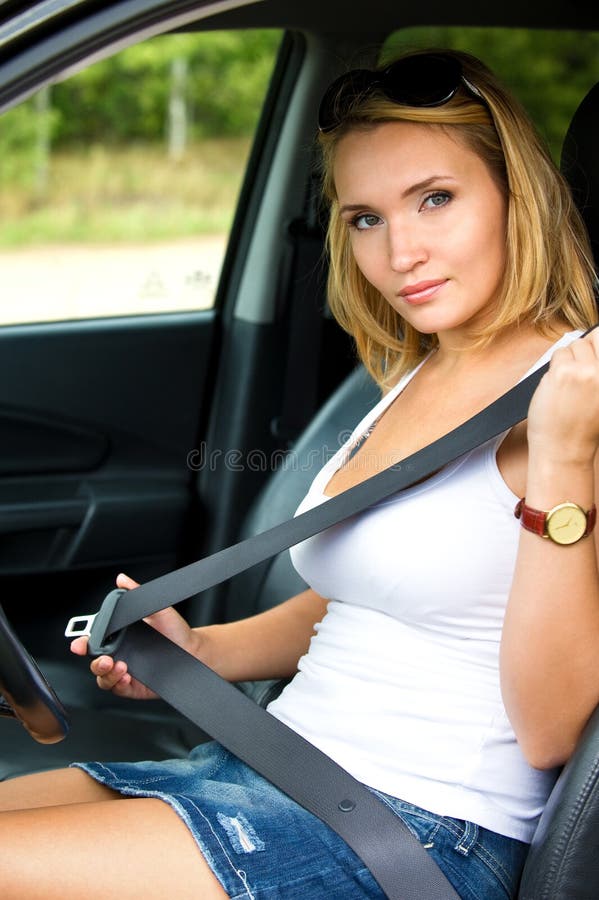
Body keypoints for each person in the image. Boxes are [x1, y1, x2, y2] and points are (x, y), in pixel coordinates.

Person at [1, 47, 598, 900]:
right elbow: (374, 585)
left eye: (435, 199)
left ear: (516, 198)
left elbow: (554, 732)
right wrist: (203, 649)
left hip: (419, 831)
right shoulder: (414, 373)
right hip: (273, 762)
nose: (401, 252)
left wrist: (567, 461)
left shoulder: (580, 395)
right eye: (365, 218)